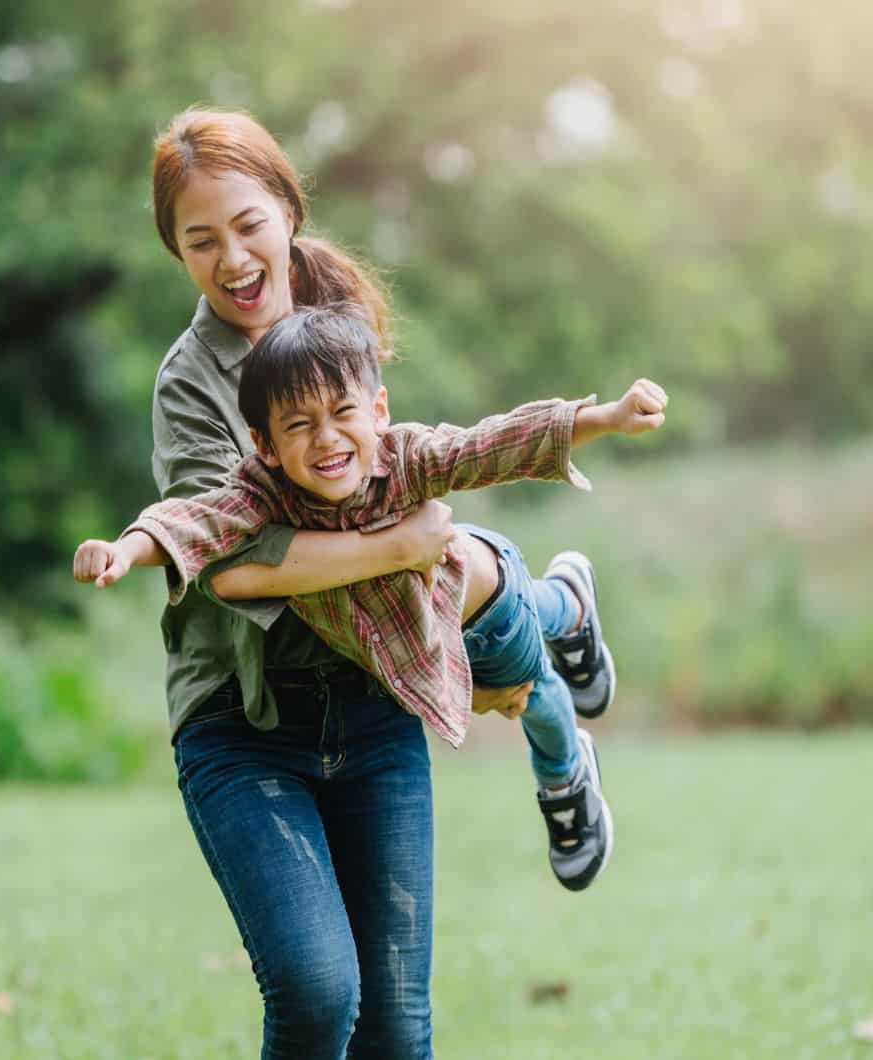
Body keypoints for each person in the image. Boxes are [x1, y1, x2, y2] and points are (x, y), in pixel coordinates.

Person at [104, 106, 618, 1058]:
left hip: (371, 701)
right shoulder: (192, 385)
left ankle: (557, 631)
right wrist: (408, 548)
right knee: (314, 990)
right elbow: (233, 566)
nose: (232, 258)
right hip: (248, 723)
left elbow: (436, 460)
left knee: (395, 1027)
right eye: (199, 240)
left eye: (248, 225)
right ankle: (558, 623)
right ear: (175, 252)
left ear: (289, 211)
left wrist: (583, 424)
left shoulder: (334, 323)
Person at [75, 306, 668, 889]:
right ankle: (568, 603)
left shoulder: (406, 457)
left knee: (533, 693)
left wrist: (606, 417)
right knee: (536, 649)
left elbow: (492, 444)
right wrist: (126, 549)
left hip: (481, 607)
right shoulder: (263, 494)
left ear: (378, 410)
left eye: (342, 413)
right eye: (299, 425)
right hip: (427, 631)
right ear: (266, 444)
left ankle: (565, 771)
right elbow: (197, 520)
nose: (326, 438)